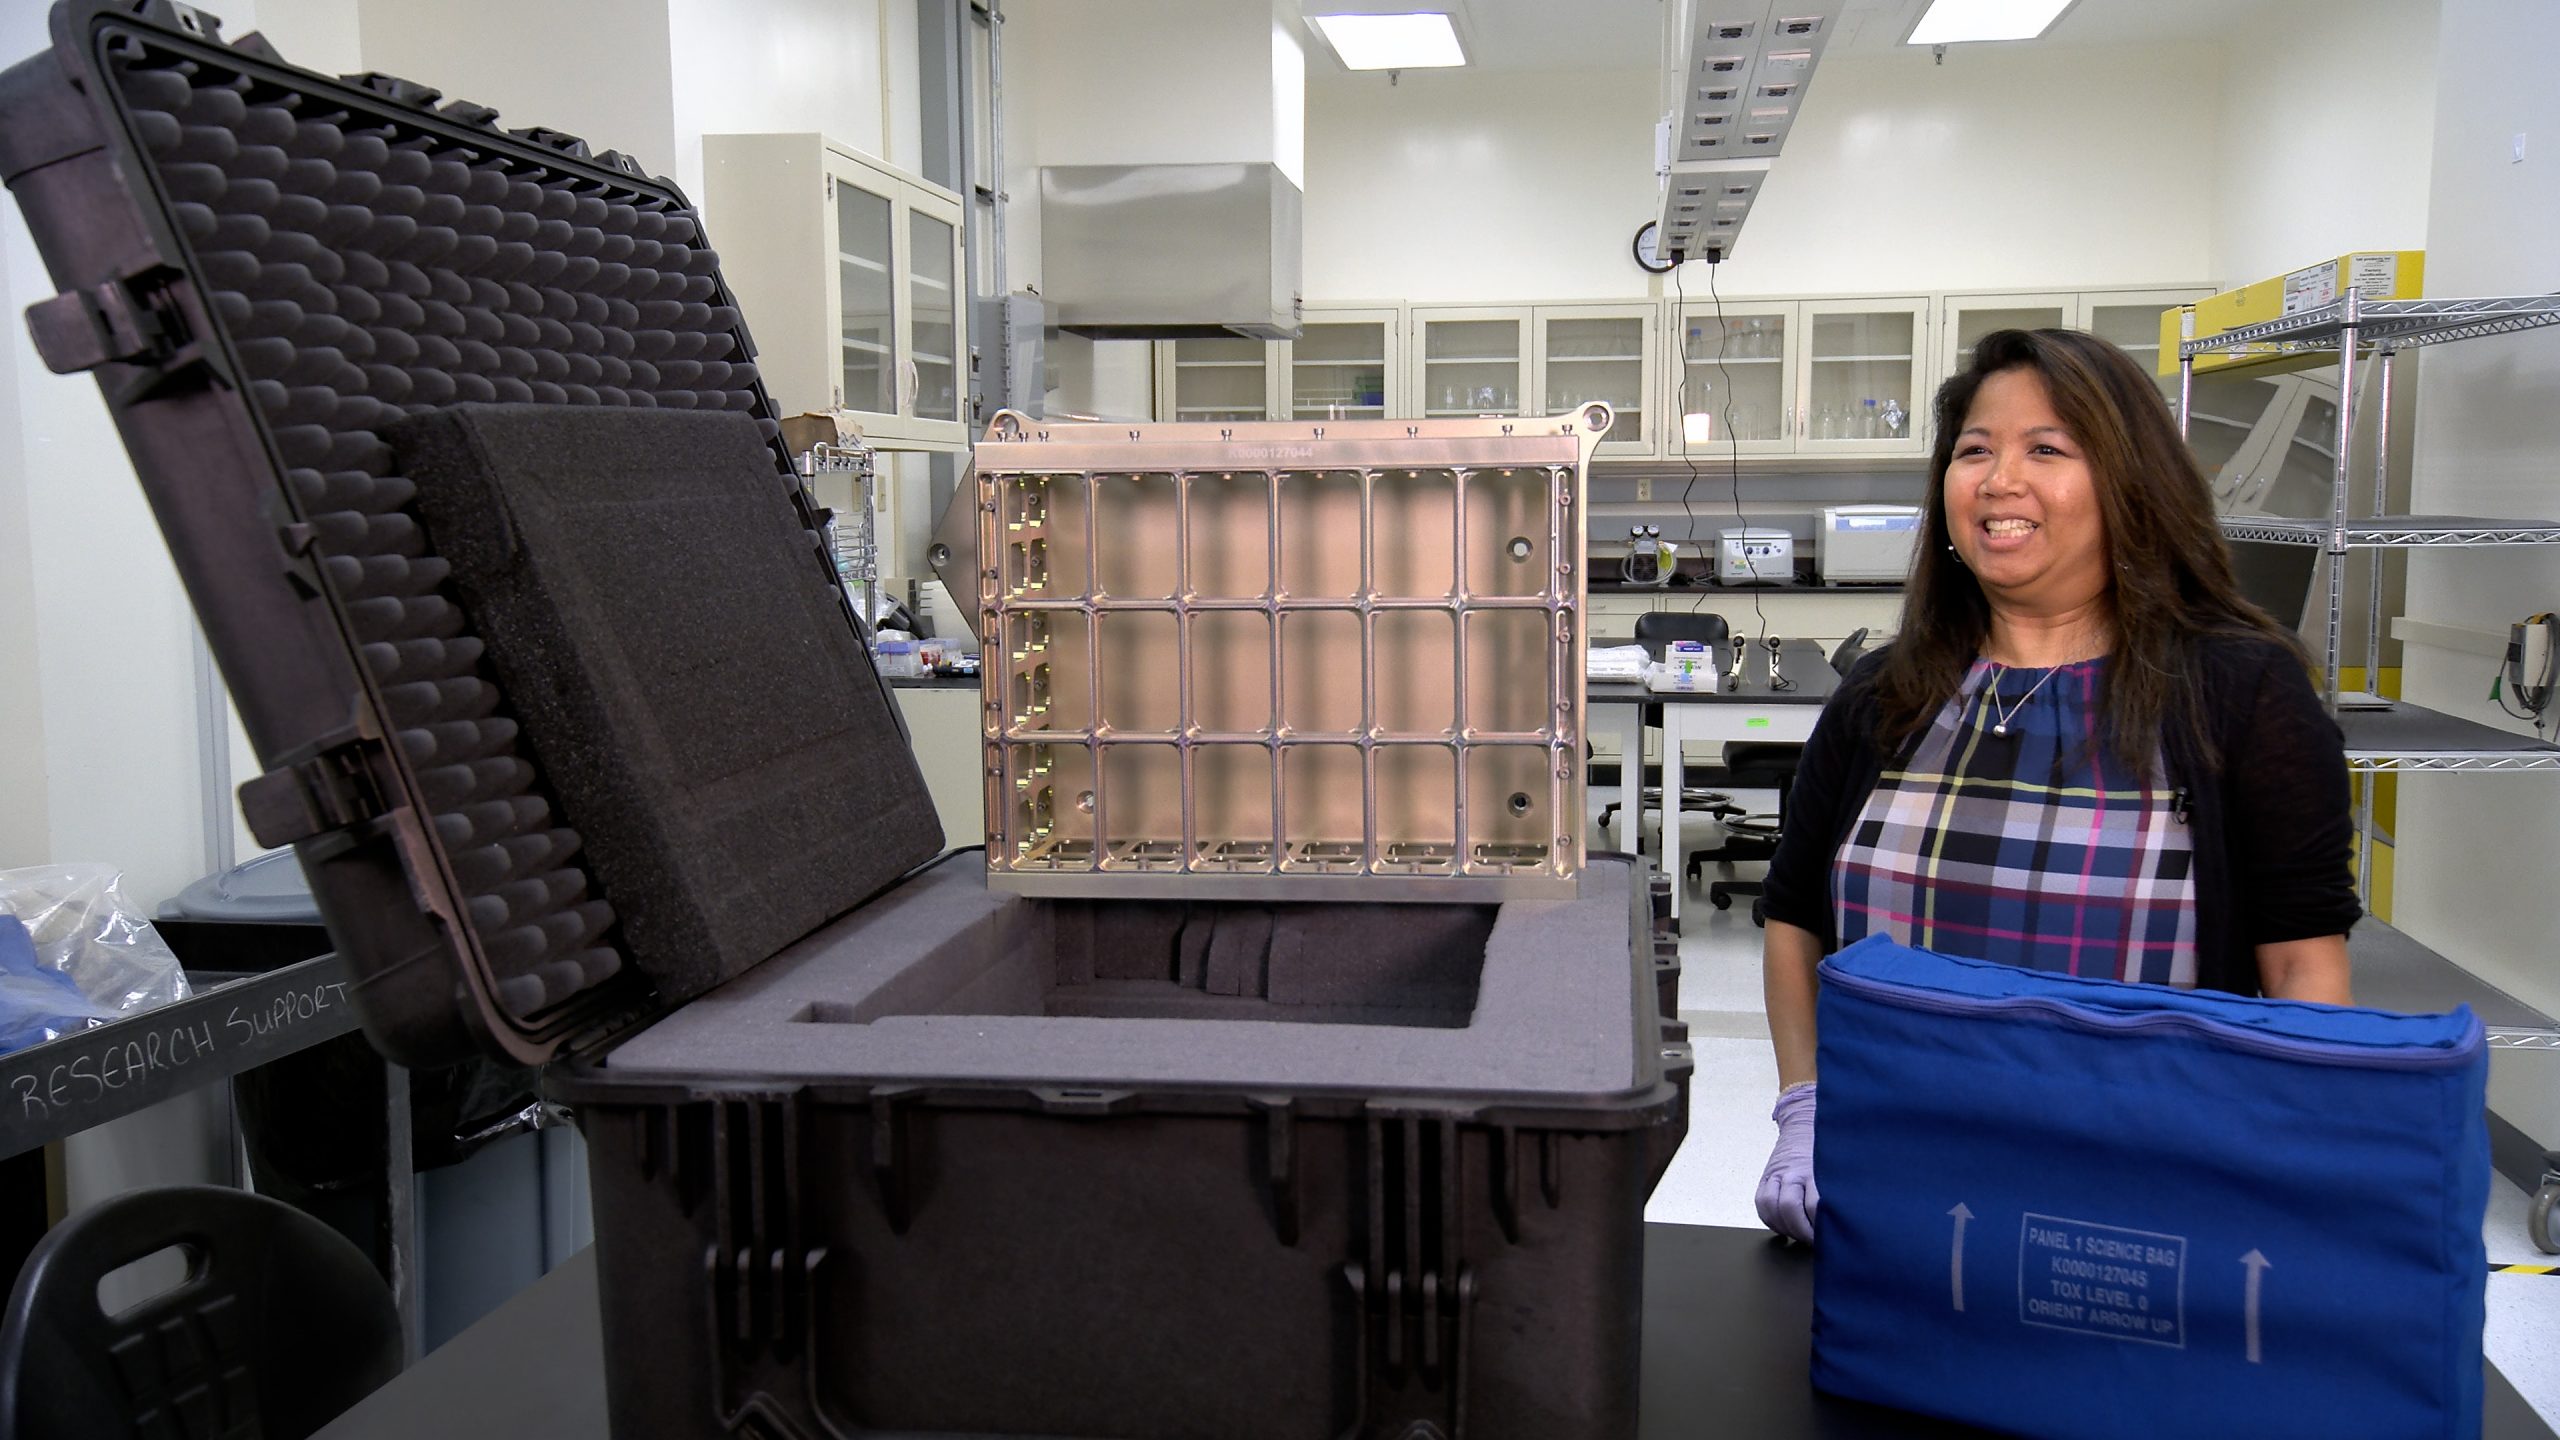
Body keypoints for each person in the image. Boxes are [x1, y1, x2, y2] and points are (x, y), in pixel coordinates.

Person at [1753, 328, 2359, 1245]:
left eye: (2046, 449)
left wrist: (2292, 1168)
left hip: (2148, 1199)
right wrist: (1804, 1107)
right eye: (1974, 452)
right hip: (1899, 1185)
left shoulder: (2239, 693)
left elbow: (2302, 966)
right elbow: (1797, 919)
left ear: (2128, 481)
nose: (2000, 481)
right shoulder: (1884, 697)